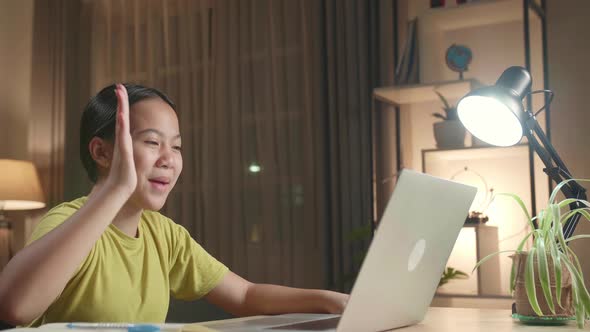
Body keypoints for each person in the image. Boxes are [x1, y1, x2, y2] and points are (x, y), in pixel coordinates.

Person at [0, 83, 349, 326]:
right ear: (101, 151)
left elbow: (246, 295)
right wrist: (116, 190)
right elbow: (15, 307)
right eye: (152, 142)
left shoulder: (164, 235)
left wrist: (332, 299)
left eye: (177, 146)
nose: (169, 159)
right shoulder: (67, 222)